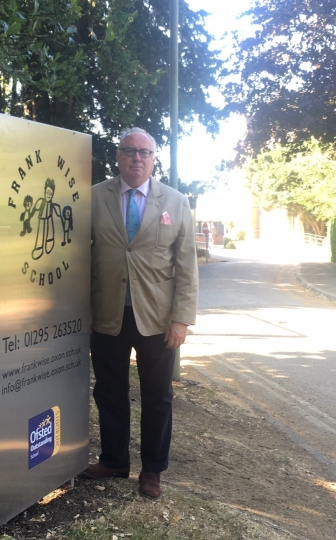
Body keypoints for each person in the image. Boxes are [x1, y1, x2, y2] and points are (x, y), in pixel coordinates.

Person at [86, 127, 198, 499]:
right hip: (107, 313)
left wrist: (181, 318)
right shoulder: (94, 197)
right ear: (117, 156)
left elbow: (186, 265)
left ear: (153, 159)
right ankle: (115, 459)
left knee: (156, 396)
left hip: (158, 318)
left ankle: (153, 470)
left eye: (144, 153)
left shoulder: (176, 201)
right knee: (110, 391)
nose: (137, 158)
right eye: (129, 151)